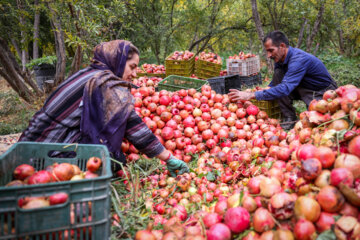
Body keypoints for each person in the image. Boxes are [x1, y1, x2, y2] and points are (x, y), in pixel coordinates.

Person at [19, 40, 189, 177]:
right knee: (110, 161)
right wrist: (169, 158)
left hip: (29, 144)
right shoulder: (104, 84)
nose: (135, 74)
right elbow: (134, 127)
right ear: (119, 61)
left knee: (115, 157)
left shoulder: (90, 74)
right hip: (45, 152)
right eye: (132, 66)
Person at [228, 31, 337, 130]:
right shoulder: (280, 58)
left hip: (321, 90)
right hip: (301, 86)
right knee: (278, 73)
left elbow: (284, 88)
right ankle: (289, 116)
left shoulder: (298, 60)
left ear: (282, 46)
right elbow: (278, 80)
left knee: (316, 122)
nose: (269, 55)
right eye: (267, 51)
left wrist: (251, 95)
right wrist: (268, 88)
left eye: (271, 50)